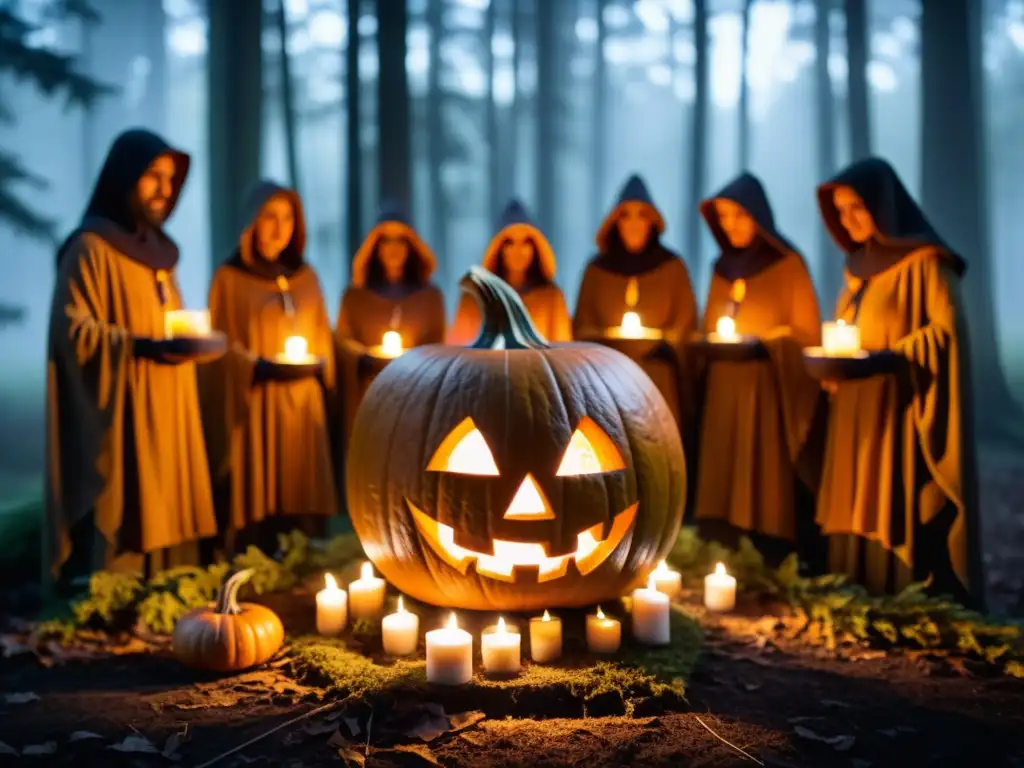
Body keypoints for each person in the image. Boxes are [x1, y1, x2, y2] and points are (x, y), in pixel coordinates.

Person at [45, 128, 216, 588]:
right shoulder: (90, 249)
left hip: (168, 403)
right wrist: (138, 347)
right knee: (127, 496)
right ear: (124, 177)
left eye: (170, 178)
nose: (164, 189)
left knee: (169, 491)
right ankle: (112, 591)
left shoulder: (160, 254)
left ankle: (169, 585)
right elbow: (73, 332)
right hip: (123, 411)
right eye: (152, 176)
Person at [815, 157, 983, 607]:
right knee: (854, 492)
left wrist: (895, 356)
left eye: (857, 208)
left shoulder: (926, 262)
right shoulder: (856, 268)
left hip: (898, 408)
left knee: (891, 495)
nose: (847, 219)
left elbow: (946, 333)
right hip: (856, 407)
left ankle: (899, 590)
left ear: (883, 207)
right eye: (840, 210)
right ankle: (853, 582)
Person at [199, 181, 338, 557]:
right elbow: (221, 348)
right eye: (269, 217)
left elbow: (323, 335)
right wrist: (256, 366)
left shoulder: (306, 277)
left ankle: (304, 558)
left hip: (303, 406)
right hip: (257, 405)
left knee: (301, 489)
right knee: (257, 488)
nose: (280, 228)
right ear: (252, 223)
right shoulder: (230, 279)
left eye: (288, 217)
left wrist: (318, 363)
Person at [693, 172, 824, 567]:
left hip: (766, 391)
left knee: (759, 467)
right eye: (724, 217)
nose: (730, 225)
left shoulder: (787, 264)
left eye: (739, 215)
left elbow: (806, 335)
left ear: (758, 216)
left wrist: (767, 344)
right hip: (723, 388)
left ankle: (767, 546)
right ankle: (720, 541)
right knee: (721, 464)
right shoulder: (721, 268)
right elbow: (708, 326)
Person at [573, 174, 698, 425]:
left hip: (658, 381)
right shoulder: (597, 271)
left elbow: (686, 325)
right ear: (615, 222)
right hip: (608, 381)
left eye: (641, 215)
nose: (634, 224)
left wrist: (661, 345)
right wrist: (610, 342)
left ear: (652, 221)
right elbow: (582, 327)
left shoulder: (672, 268)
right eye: (626, 215)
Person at [335, 203, 446, 443]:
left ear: (411, 246)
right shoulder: (355, 297)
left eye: (400, 241)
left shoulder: (429, 298)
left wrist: (414, 360)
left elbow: (439, 347)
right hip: (368, 399)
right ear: (375, 247)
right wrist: (363, 357)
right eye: (386, 240)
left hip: (414, 399)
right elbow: (342, 342)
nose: (393, 249)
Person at [447, 200, 571, 344]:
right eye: (510, 243)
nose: (518, 251)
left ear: (535, 247)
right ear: (499, 248)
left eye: (525, 242)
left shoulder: (552, 298)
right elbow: (459, 350)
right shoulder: (473, 298)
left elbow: (562, 351)